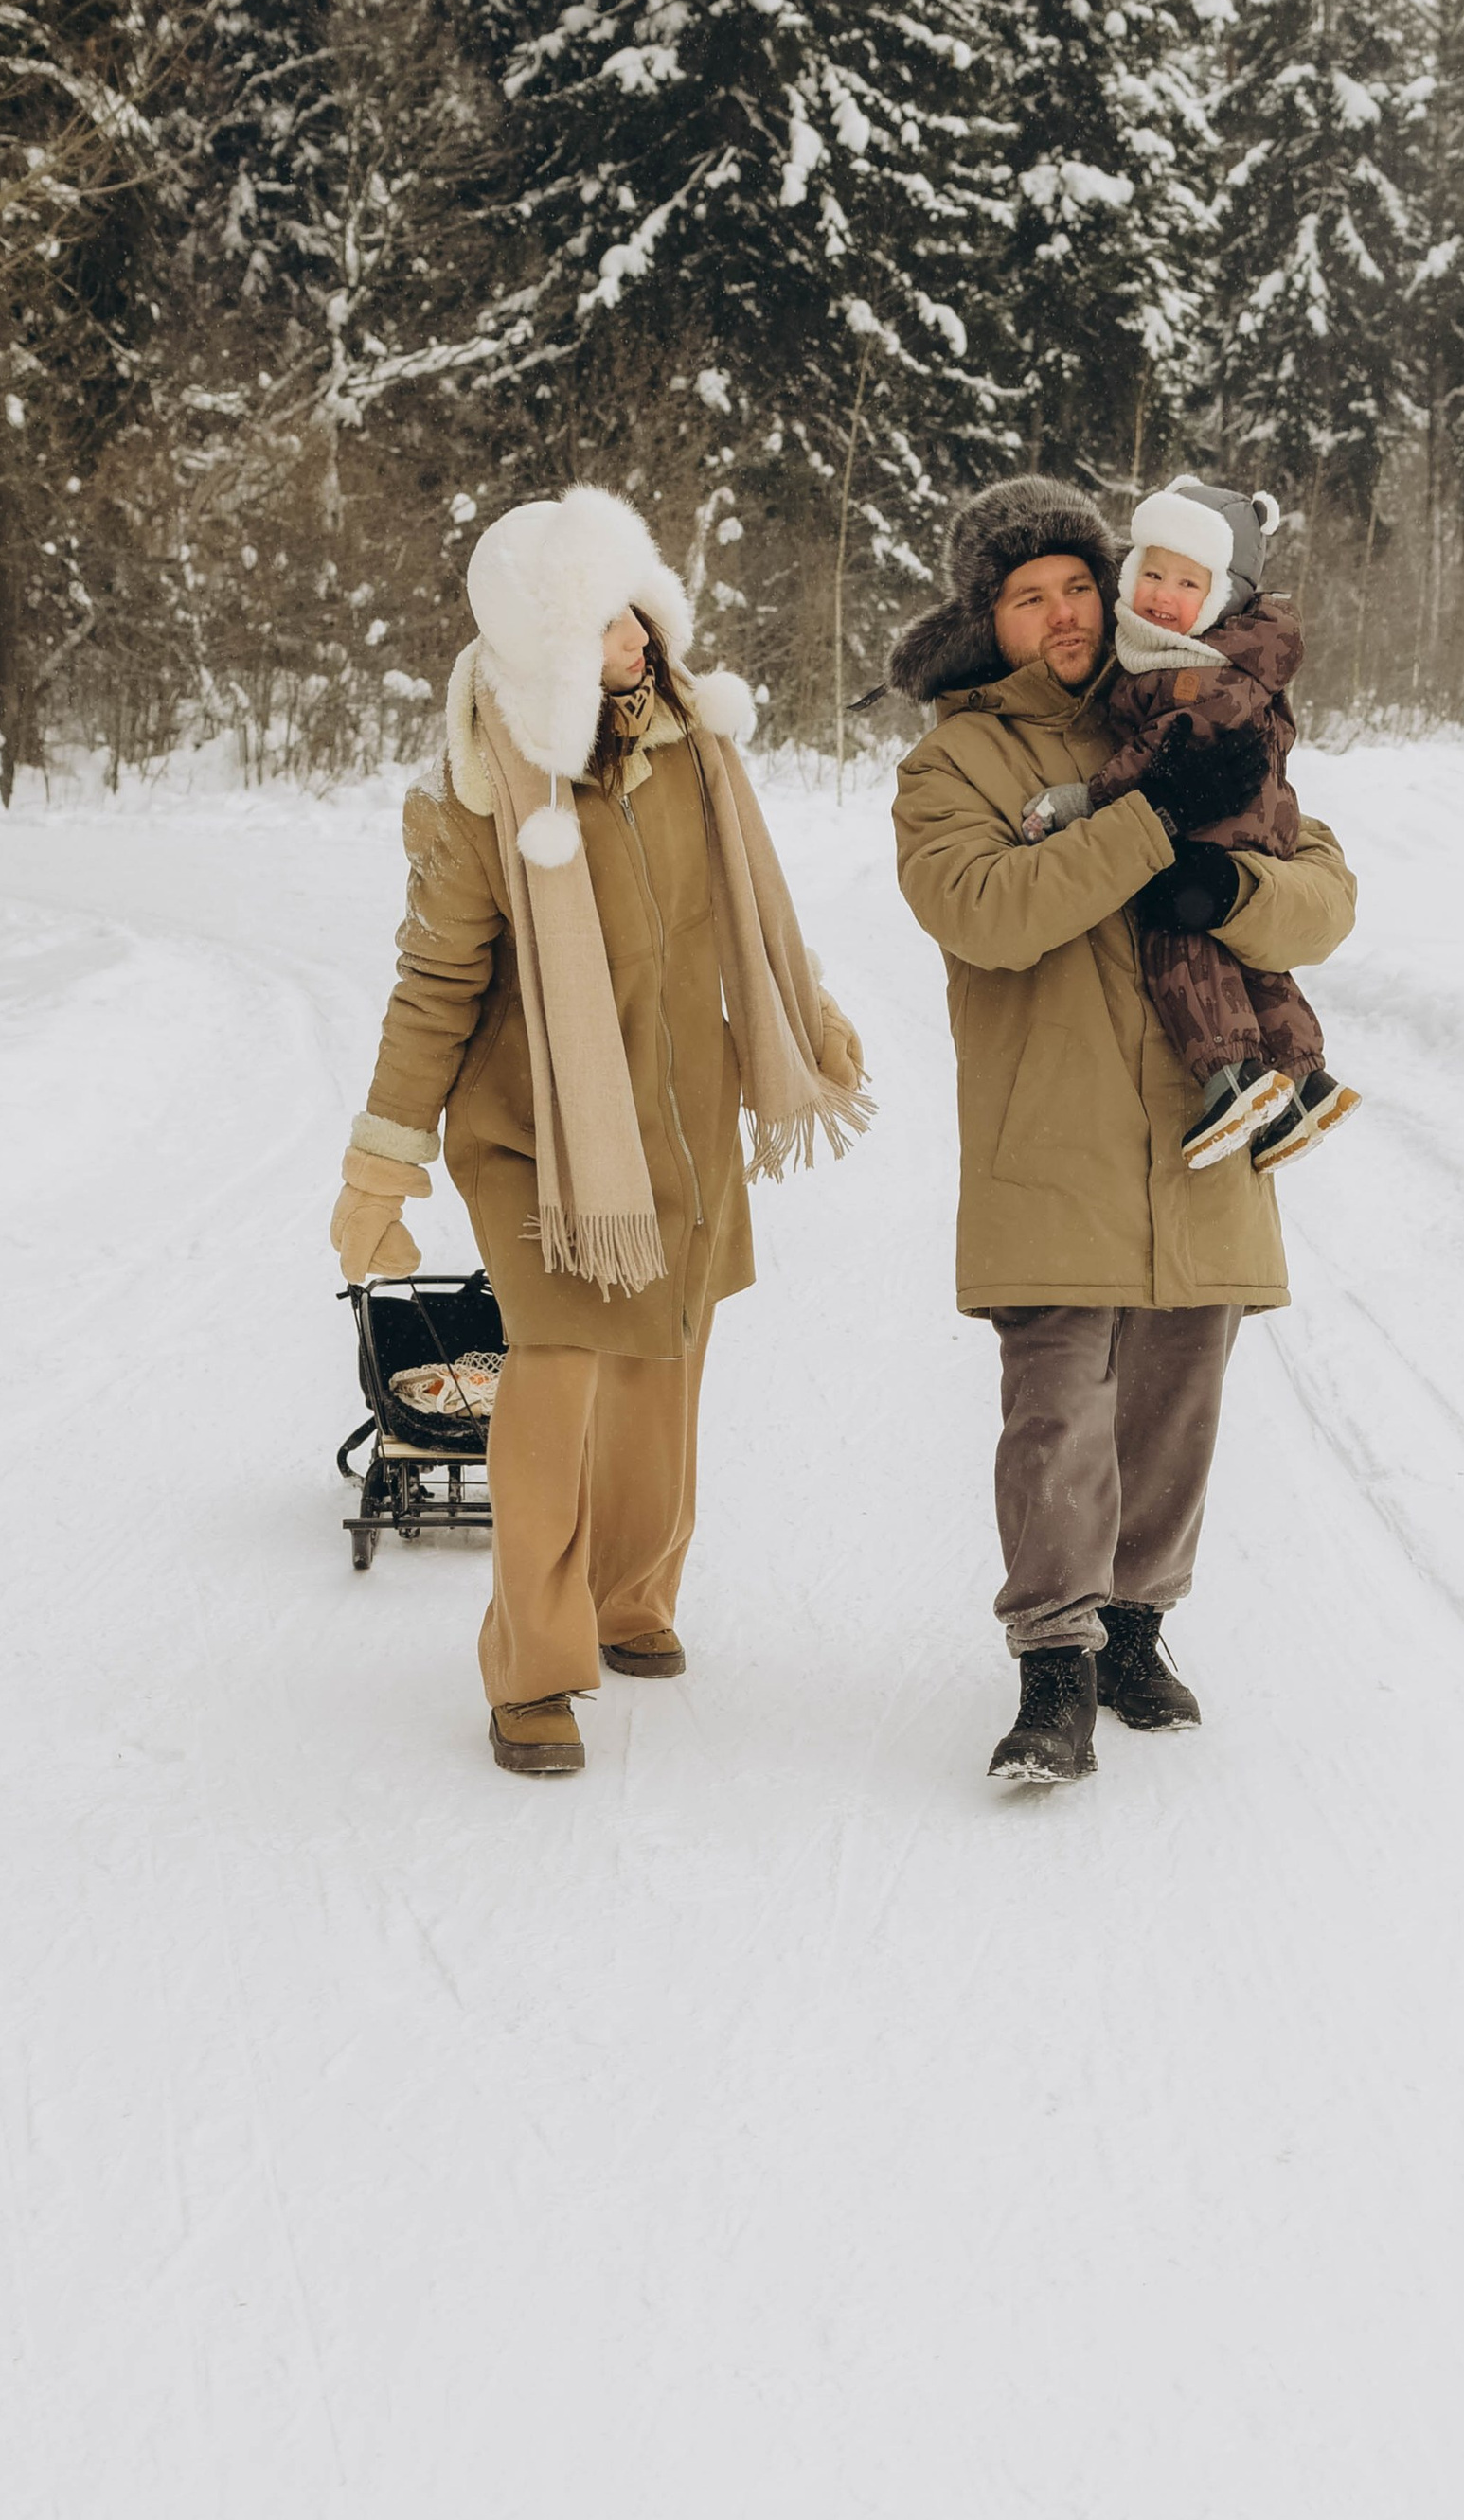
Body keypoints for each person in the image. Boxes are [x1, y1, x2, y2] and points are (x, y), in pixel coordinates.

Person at [331, 486, 870, 1780]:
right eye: (595, 619)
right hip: (544, 1139)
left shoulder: (698, 747)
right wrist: (379, 1163)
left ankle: (631, 1596)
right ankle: (531, 1658)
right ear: (539, 648)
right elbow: (434, 985)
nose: (631, 631)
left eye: (634, 600)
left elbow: (737, 918)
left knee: (666, 1362)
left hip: (684, 1118)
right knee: (563, 1374)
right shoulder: (480, 789)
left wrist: (810, 1017)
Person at [888, 474, 1357, 1788]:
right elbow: (986, 908)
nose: (1063, 615)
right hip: (1053, 1137)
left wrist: (1231, 884)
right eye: (1026, 597)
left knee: (1176, 1395)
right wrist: (1152, 823)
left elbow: (1326, 895)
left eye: (1077, 586)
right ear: (989, 617)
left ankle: (1138, 1624)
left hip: (1199, 1124)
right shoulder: (956, 761)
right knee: (1057, 1412)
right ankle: (1054, 1660)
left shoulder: (1193, 704)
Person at [1019, 472, 1361, 1175]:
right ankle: (1300, 1077)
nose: (1161, 597)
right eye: (1152, 574)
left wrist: (1088, 799)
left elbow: (1161, 751)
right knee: (1246, 960)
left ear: (1222, 600)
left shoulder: (1191, 670)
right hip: (1252, 822)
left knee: (1180, 943)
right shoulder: (1204, 657)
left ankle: (1231, 1074)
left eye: (1187, 584)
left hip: (1222, 832)